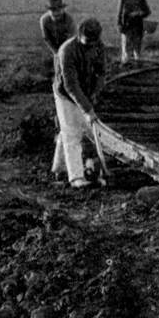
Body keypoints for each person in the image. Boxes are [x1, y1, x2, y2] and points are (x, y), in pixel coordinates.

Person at [52, 18, 107, 189]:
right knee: (72, 133)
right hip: (65, 94)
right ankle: (76, 177)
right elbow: (70, 85)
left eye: (93, 41)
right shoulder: (67, 51)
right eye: (87, 41)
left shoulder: (98, 46)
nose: (90, 44)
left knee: (79, 129)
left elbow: (101, 73)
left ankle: (59, 167)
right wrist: (87, 109)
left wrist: (95, 93)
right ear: (79, 35)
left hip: (85, 90)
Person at [116, 0, 151, 64]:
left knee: (137, 48)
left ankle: (137, 66)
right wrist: (119, 24)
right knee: (126, 48)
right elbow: (119, 11)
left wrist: (139, 13)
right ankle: (125, 65)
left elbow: (147, 11)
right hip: (126, 26)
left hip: (137, 26)